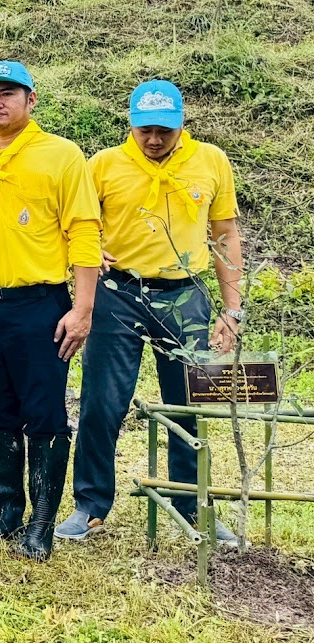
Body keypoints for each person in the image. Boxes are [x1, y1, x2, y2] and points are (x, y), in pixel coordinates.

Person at [58, 82, 244, 545]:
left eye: (165, 130)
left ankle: (191, 503)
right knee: (102, 401)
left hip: (186, 295)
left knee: (188, 403)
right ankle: (90, 504)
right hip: (117, 294)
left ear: (182, 123)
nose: (155, 139)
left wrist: (232, 310)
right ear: (131, 123)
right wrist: (85, 250)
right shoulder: (103, 164)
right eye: (145, 130)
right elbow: (74, 223)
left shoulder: (211, 161)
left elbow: (225, 234)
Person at [0, 63, 100, 561]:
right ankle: (3, 512)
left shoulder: (61, 155)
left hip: (40, 305)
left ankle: (41, 522)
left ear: (31, 100)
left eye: (7, 93)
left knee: (44, 412)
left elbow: (84, 230)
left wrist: (83, 308)